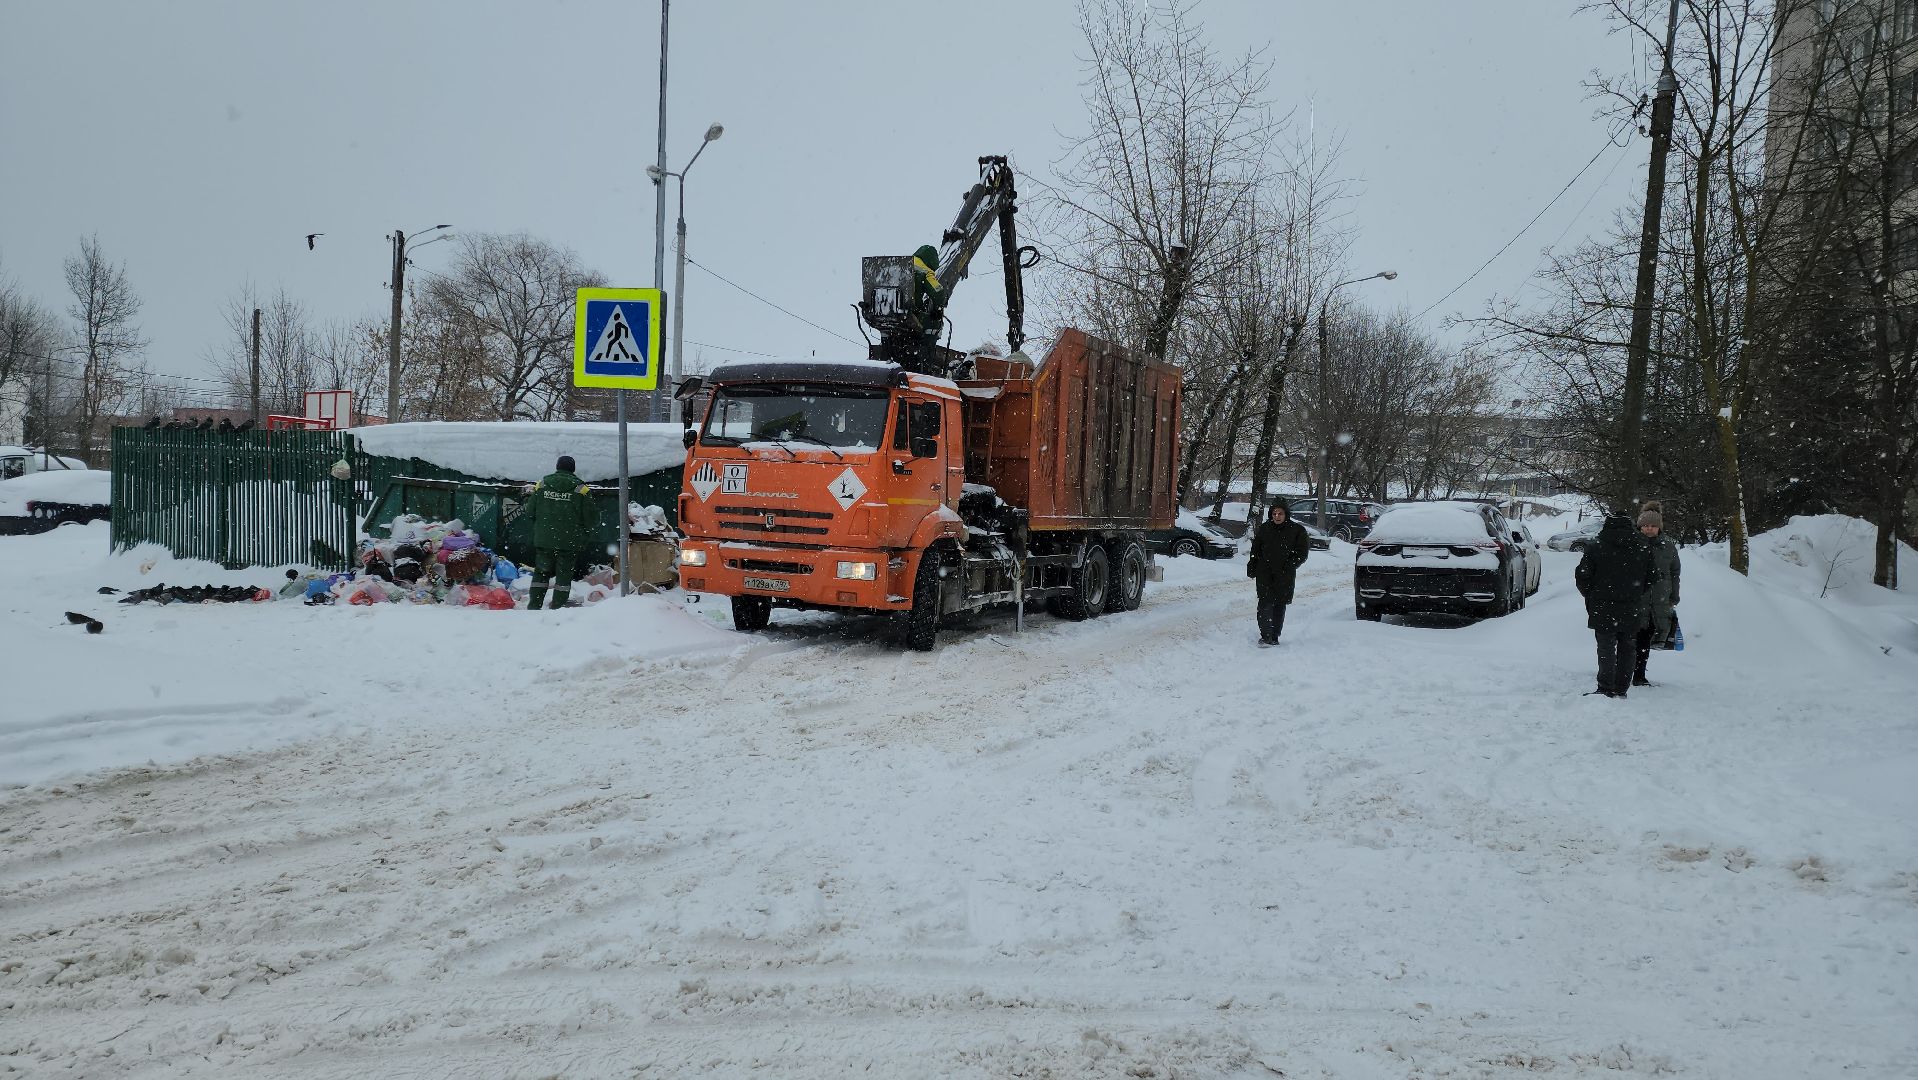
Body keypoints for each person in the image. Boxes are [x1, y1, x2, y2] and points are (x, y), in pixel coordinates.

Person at [1574, 515, 1658, 697]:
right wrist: (1636, 591)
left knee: (1605, 647)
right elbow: (1653, 576)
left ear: (1607, 524)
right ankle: (1621, 688)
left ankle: (1605, 687)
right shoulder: (1643, 546)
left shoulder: (1596, 546)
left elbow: (1582, 575)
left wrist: (1591, 594)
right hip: (1631, 604)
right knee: (1628, 646)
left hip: (1602, 604)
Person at [523, 455, 598, 610]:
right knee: (564, 576)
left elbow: (530, 512)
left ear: (557, 467)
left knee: (541, 573)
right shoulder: (581, 490)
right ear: (573, 469)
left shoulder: (542, 485)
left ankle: (534, 606)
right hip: (568, 542)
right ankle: (558, 607)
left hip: (544, 540)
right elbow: (592, 519)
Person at [1248, 501, 1312, 647]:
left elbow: (1302, 552)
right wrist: (1252, 565)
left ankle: (1275, 636)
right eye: (1274, 513)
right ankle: (1265, 636)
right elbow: (1256, 549)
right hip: (1265, 572)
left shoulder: (1297, 530)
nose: (1277, 516)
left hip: (1285, 574)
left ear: (1286, 514)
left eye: (1280, 513)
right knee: (1264, 603)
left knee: (1279, 604)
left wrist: (1290, 564)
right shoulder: (1265, 529)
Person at [1634, 501, 1681, 686]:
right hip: (1637, 600)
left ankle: (1639, 675)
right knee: (1632, 639)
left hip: (1659, 601)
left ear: (1659, 527)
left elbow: (1675, 573)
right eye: (1645, 525)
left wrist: (1674, 596)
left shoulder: (1668, 547)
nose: (1649, 529)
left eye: (1653, 526)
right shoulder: (1633, 544)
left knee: (1646, 640)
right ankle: (1626, 671)